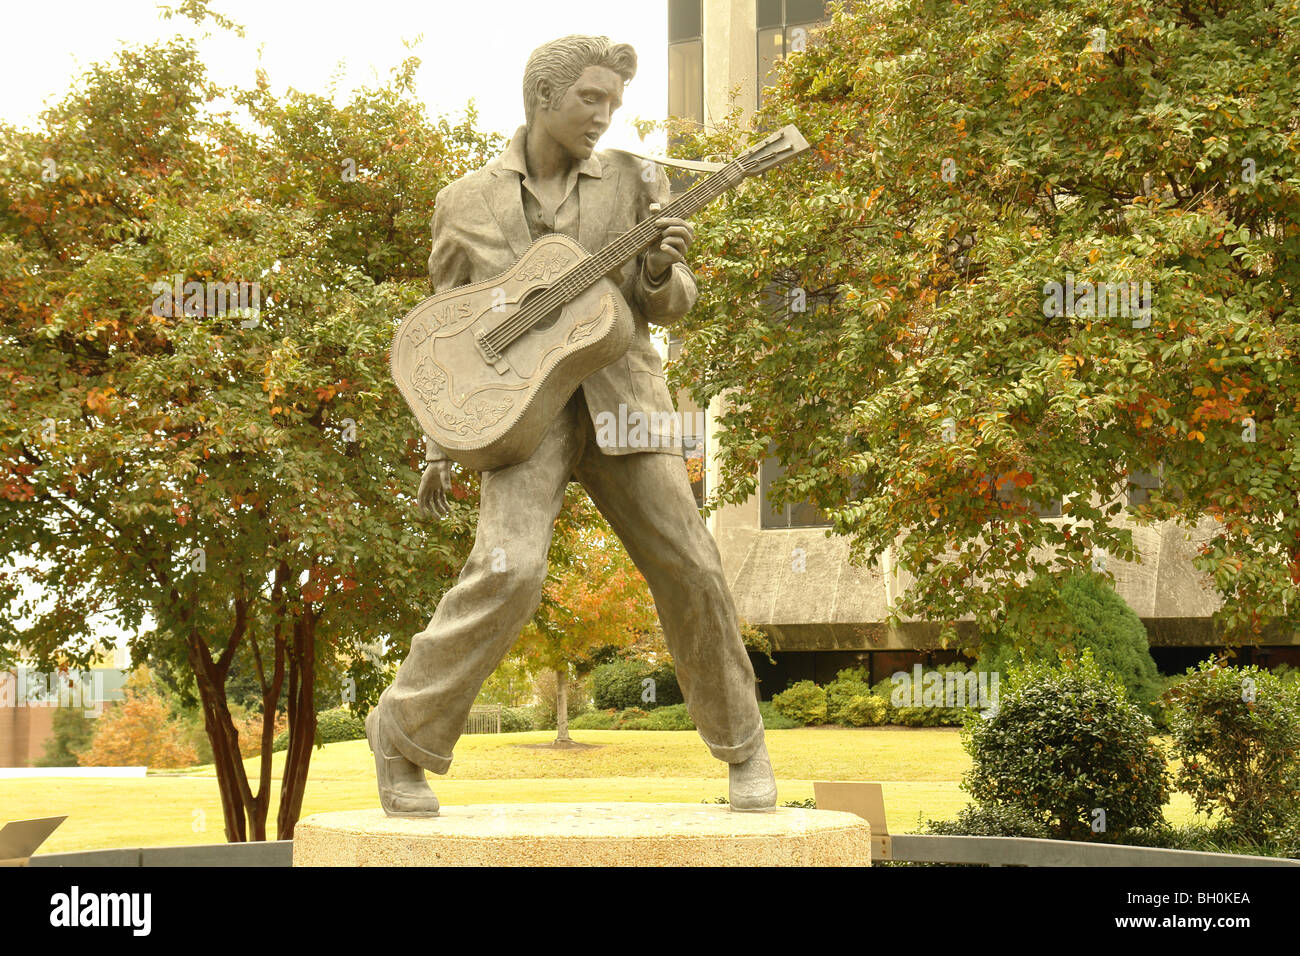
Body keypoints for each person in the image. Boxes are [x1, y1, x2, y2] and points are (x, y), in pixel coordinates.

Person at [366, 34, 777, 815]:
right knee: (507, 572)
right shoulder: (464, 201)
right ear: (543, 97)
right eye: (591, 98)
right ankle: (403, 731)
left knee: (692, 567)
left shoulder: (634, 179)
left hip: (622, 398)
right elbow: (444, 331)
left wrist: (660, 269)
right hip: (520, 415)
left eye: (614, 103)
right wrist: (438, 442)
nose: (605, 115)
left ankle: (744, 751)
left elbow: (671, 301)